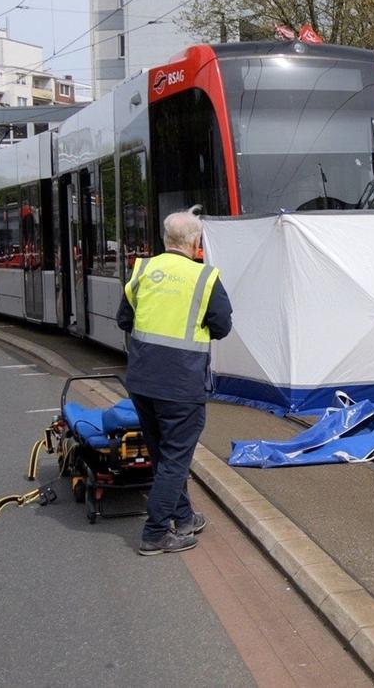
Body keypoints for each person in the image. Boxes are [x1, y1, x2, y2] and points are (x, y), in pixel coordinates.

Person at [117, 206, 233, 555]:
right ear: (196, 243)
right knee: (175, 460)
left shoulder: (143, 270)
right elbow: (223, 326)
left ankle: (184, 517)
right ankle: (154, 533)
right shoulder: (204, 278)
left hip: (141, 382)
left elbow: (124, 319)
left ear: (165, 239)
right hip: (181, 384)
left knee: (164, 455)